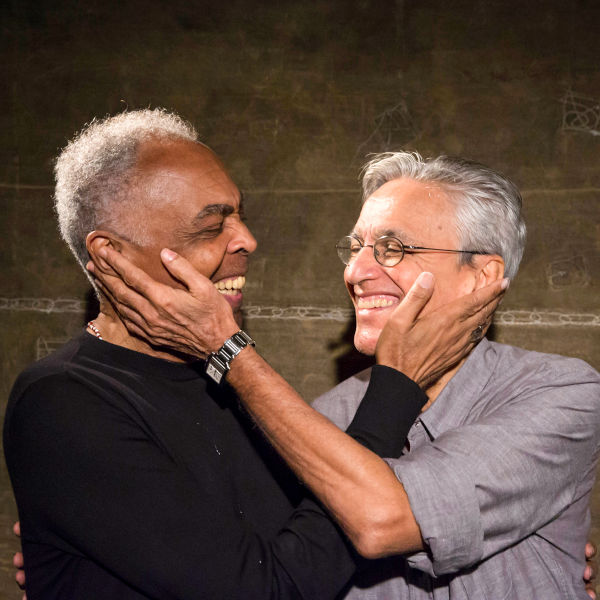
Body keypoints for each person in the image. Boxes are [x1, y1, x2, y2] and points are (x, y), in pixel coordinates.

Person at [3, 110, 504, 600]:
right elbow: (270, 585)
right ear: (113, 253)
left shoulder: (231, 379)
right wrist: (395, 388)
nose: (246, 240)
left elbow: (306, 542)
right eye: (210, 226)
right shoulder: (62, 401)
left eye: (239, 215)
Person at [85, 148, 600, 598]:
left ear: (482, 276)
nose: (356, 273)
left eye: (393, 249)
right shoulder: (320, 421)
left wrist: (226, 348)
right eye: (355, 248)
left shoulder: (561, 394)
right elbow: (231, 560)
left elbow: (383, 519)